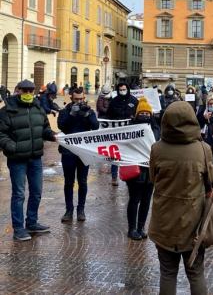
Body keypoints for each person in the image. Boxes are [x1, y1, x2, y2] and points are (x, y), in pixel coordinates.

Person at [149, 101, 213, 295]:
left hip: (164, 221)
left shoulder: (157, 148)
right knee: (195, 273)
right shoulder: (203, 149)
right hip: (193, 222)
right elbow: (210, 180)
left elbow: (153, 178)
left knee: (167, 273)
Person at [0, 80, 56, 241]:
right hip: (17, 159)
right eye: (25, 90)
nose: (28, 93)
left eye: (31, 90)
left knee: (36, 192)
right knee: (19, 194)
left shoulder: (38, 107)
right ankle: (18, 228)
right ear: (17, 90)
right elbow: (1, 134)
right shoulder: (7, 110)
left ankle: (32, 222)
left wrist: (52, 135)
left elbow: (44, 128)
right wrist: (12, 146)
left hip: (35, 158)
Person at [57, 87, 99, 222]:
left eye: (81, 99)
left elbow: (96, 127)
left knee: (82, 181)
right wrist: (71, 114)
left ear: (84, 98)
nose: (79, 101)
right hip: (68, 152)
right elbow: (61, 126)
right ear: (71, 98)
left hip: (84, 152)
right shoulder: (64, 111)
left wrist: (88, 115)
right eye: (76, 99)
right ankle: (69, 210)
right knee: (69, 182)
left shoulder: (89, 111)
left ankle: (81, 210)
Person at [126, 98, 159, 240]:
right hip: (136, 171)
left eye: (147, 113)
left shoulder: (156, 128)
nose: (145, 115)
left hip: (150, 172)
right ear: (137, 114)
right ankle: (132, 229)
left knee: (146, 201)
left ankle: (141, 227)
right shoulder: (130, 128)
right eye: (142, 113)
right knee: (134, 199)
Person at [106, 83, 138, 185]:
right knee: (115, 155)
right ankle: (114, 177)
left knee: (129, 155)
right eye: (120, 90)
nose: (122, 91)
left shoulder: (133, 100)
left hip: (130, 133)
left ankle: (130, 177)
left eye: (124, 89)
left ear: (127, 89)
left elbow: (138, 113)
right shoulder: (114, 101)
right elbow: (108, 115)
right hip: (117, 132)